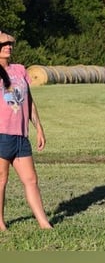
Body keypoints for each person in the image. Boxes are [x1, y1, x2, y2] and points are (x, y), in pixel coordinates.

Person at [0, 31, 52, 230]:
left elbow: (29, 102)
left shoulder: (20, 70)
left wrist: (38, 127)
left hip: (21, 136)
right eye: (4, 44)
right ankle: (1, 224)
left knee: (31, 179)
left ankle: (44, 223)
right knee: (1, 180)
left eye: (10, 44)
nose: (9, 47)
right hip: (2, 135)